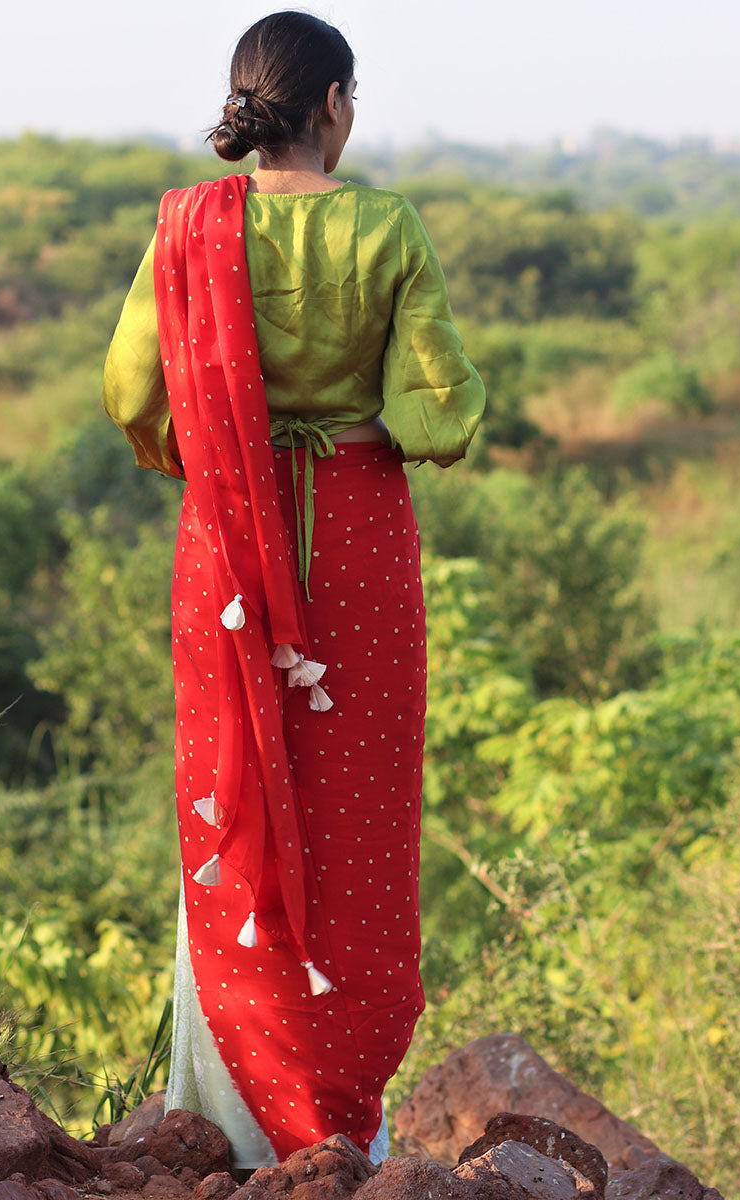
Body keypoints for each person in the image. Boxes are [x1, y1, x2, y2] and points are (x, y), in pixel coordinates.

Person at [101, 9, 486, 1179]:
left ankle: (223, 1109)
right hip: (360, 543)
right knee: (353, 811)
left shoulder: (186, 229)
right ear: (335, 105)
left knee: (238, 794)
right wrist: (353, 431)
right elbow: (443, 414)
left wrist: (222, 453)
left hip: (227, 540)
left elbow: (132, 391)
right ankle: (337, 1121)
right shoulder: (386, 226)